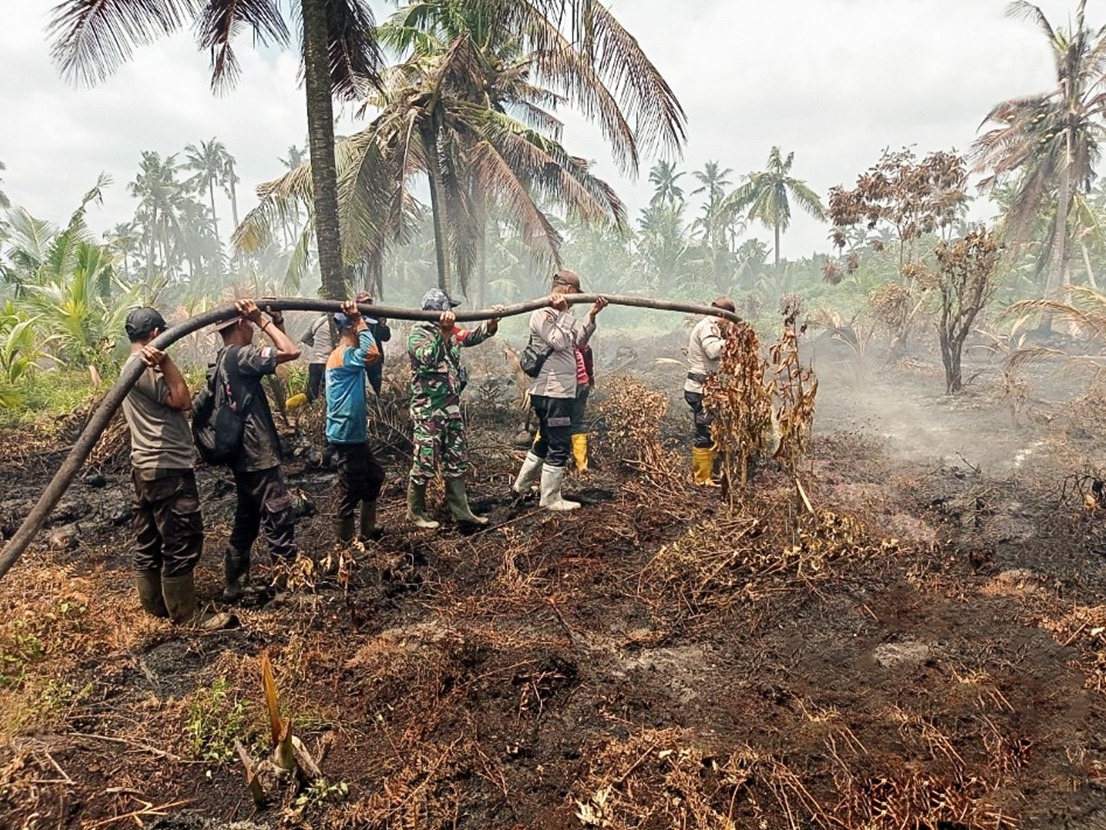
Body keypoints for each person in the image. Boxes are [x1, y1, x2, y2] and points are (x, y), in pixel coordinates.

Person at [121, 307, 231, 629]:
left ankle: (155, 605)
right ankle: (186, 614)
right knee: (181, 536)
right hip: (166, 466)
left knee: (151, 537)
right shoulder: (144, 368)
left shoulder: (132, 366)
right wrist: (167, 363)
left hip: (147, 466)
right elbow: (182, 400)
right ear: (156, 334)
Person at [211, 299, 302, 600]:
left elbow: (280, 353)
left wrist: (275, 322)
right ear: (240, 324)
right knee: (279, 514)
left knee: (247, 516)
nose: (252, 328)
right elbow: (291, 351)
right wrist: (262, 320)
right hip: (256, 452)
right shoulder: (241, 356)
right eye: (248, 323)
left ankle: (235, 583)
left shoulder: (223, 359)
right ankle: (288, 585)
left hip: (242, 453)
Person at [511, 269, 607, 510]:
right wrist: (563, 313)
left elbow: (578, 342)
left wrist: (591, 316)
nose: (575, 298)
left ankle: (521, 486)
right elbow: (558, 341)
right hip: (552, 393)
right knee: (559, 443)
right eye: (575, 293)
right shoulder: (542, 315)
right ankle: (550, 498)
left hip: (560, 391)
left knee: (545, 439)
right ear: (566, 290)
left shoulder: (561, 317)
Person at [406, 288, 501, 529]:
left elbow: (472, 337)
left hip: (451, 410)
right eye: (449, 308)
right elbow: (429, 358)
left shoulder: (452, 331)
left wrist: (490, 324)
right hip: (429, 412)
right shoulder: (418, 334)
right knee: (425, 462)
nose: (452, 313)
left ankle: (462, 512)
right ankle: (414, 513)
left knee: (457, 460)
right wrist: (444, 335)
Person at [325, 300, 386, 544]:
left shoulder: (344, 357)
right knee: (349, 489)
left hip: (352, 433)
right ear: (351, 330)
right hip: (346, 433)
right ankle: (345, 547)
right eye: (363, 330)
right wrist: (359, 319)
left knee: (374, 476)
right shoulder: (344, 356)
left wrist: (359, 320)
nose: (366, 334)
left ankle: (368, 530)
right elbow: (372, 353)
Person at [684, 296, 735, 486]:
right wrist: (732, 339)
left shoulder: (710, 325)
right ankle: (701, 478)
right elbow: (713, 351)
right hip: (700, 390)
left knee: (711, 430)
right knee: (704, 431)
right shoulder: (709, 325)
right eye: (728, 320)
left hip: (704, 388)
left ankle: (708, 474)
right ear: (722, 315)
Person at [286, 311, 333, 409]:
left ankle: (288, 405)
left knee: (312, 393)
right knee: (327, 391)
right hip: (327, 362)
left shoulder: (316, 322)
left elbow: (304, 338)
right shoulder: (334, 322)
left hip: (314, 361)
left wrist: (317, 346)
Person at [355, 291, 392, 396]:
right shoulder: (354, 318)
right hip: (359, 356)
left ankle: (376, 405)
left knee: (376, 384)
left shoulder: (376, 317)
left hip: (375, 357)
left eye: (368, 302)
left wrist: (382, 325)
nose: (366, 305)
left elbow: (386, 337)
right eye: (363, 302)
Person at [569, 345, 595, 473]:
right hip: (582, 383)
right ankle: (582, 465)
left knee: (548, 423)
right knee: (577, 424)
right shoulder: (578, 336)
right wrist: (590, 376)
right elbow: (587, 355)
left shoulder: (552, 336)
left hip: (563, 386)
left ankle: (541, 460)